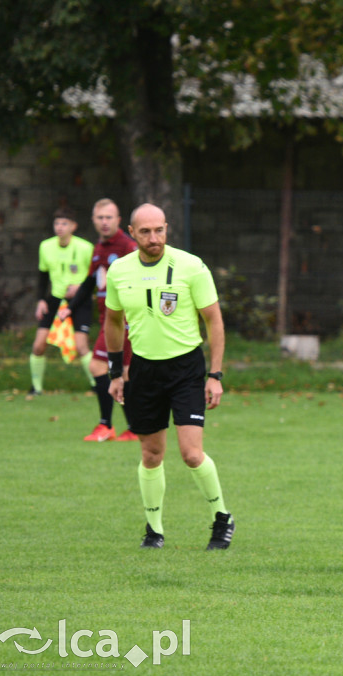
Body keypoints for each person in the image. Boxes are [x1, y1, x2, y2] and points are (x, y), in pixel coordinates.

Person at [104, 203, 234, 550]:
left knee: (191, 453)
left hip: (186, 368)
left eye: (159, 230)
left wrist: (215, 374)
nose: (153, 238)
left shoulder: (191, 266)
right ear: (132, 233)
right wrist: (116, 371)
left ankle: (222, 518)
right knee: (151, 454)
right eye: (145, 232)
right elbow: (114, 322)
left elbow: (214, 321)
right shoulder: (119, 271)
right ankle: (154, 530)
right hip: (143, 370)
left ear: (167, 229)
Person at [62, 198, 138, 441]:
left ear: (118, 220)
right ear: (94, 221)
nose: (105, 222)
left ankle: (107, 425)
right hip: (109, 319)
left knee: (100, 366)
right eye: (100, 218)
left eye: (109, 217)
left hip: (122, 321)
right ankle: (134, 427)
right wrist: (69, 309)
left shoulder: (127, 246)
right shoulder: (99, 247)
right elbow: (88, 283)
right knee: (123, 373)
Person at [27, 206, 95, 396]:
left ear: (73, 226)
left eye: (64, 223)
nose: (60, 227)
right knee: (39, 344)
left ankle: (97, 385)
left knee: (82, 346)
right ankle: (36, 388)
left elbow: (95, 277)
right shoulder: (46, 246)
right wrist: (41, 300)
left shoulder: (85, 248)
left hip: (80, 301)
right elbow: (42, 276)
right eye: (57, 223)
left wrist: (80, 287)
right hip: (55, 299)